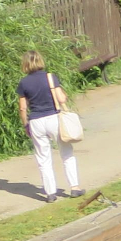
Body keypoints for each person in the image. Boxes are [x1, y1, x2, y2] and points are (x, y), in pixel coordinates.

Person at [16, 51, 81, 202]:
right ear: (40, 60)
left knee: (43, 158)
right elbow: (61, 98)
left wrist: (26, 124)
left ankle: (50, 193)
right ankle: (75, 188)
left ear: (25, 63)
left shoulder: (23, 83)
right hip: (54, 118)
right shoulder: (50, 77)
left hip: (36, 121)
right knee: (66, 153)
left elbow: (22, 108)